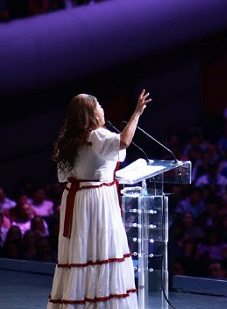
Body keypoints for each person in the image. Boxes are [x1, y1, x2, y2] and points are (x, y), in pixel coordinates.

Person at [47, 91, 151, 308]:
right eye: (99, 107)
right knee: (102, 249)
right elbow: (124, 141)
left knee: (82, 251)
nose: (103, 110)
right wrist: (137, 113)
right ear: (91, 114)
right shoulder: (97, 136)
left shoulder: (68, 140)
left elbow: (63, 177)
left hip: (77, 199)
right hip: (97, 199)